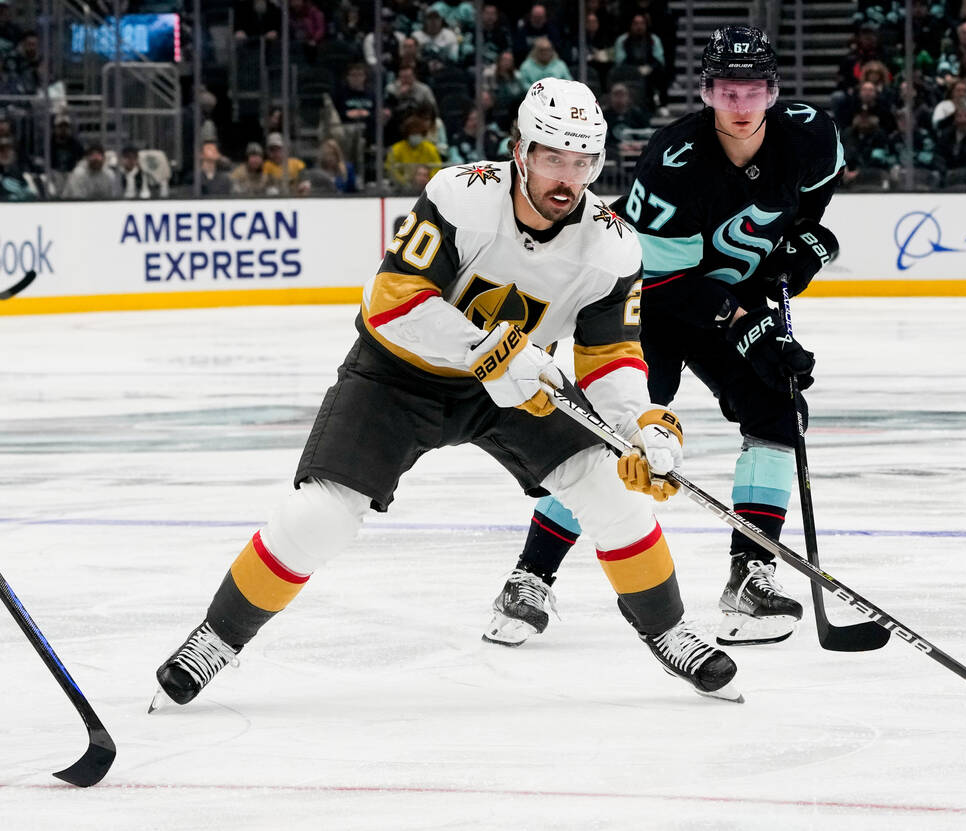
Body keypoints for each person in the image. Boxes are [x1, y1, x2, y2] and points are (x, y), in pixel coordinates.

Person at [151, 78, 741, 710]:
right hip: (399, 376)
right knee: (320, 516)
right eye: (552, 158)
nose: (567, 178)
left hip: (516, 388)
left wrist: (643, 422)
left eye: (582, 161)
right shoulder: (461, 197)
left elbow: (609, 355)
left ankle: (671, 630)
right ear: (520, 151)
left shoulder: (613, 244)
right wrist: (488, 352)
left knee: (610, 490)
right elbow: (391, 304)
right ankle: (216, 638)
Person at [483, 26, 841, 649]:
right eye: (727, 90)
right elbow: (669, 282)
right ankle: (530, 576)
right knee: (616, 435)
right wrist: (749, 323)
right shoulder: (676, 159)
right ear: (706, 92)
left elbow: (804, 216)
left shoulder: (810, 134)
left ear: (772, 92)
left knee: (779, 412)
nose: (740, 103)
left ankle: (749, 578)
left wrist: (801, 254)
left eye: (752, 89)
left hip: (721, 295)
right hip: (647, 298)